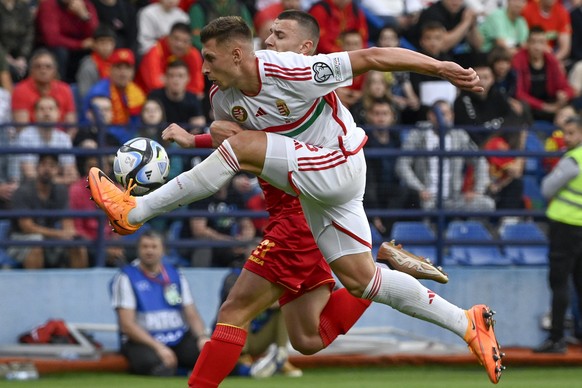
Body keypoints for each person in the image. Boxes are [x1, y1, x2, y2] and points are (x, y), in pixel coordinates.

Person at [88, 14, 504, 386]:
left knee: (235, 310)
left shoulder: (294, 70)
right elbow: (240, 144)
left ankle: (135, 211)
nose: (203, 68)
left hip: (339, 167)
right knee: (356, 287)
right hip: (311, 194)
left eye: (209, 58)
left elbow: (373, 56)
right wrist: (203, 137)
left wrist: (440, 67)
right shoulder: (224, 99)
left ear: (236, 55)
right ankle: (467, 322)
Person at [110, 230, 209, 375]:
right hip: (144, 342)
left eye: (154, 247)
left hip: (178, 337)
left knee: (211, 358)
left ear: (163, 250)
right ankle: (183, 372)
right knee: (158, 367)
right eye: (145, 247)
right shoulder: (126, 277)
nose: (149, 251)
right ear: (138, 250)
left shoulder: (176, 274)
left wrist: (202, 337)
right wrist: (158, 347)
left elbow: (191, 312)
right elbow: (127, 325)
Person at [396, 99, 496, 212]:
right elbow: (402, 165)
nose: (442, 118)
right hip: (426, 198)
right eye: (438, 114)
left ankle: (463, 228)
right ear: (430, 116)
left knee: (487, 204)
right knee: (424, 207)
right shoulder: (418, 134)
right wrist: (419, 189)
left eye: (445, 114)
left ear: (452, 115)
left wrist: (478, 190)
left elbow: (480, 161)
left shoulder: (459, 136)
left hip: (454, 199)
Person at [535, 115, 582, 353]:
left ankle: (556, 338)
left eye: (572, 133)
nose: (567, 137)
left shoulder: (573, 160)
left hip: (565, 226)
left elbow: (547, 188)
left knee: (559, 282)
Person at [9, 153, 88, 269]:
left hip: (50, 236)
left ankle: (78, 285)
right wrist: (59, 234)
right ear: (37, 167)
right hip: (21, 238)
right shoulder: (23, 191)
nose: (47, 169)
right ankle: (34, 286)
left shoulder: (61, 190)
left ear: (57, 170)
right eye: (44, 165)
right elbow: (27, 227)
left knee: (77, 244)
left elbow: (67, 222)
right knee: (36, 242)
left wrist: (69, 234)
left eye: (52, 166)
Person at [512, 26, 575, 123]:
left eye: (541, 42)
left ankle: (562, 136)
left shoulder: (551, 60)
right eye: (533, 42)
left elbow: (566, 87)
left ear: (545, 44)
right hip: (530, 106)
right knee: (521, 106)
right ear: (527, 43)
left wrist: (565, 95)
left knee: (571, 108)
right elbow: (519, 93)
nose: (537, 47)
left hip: (550, 103)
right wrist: (543, 106)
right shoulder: (518, 60)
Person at [83, 48, 146, 145]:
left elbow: (137, 125)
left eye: (127, 68)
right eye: (119, 67)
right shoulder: (98, 92)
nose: (123, 73)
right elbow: (91, 125)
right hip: (104, 141)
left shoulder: (138, 94)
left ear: (133, 71)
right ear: (110, 69)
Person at [13, 96, 78, 185]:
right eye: (41, 109)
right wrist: (62, 180)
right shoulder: (26, 135)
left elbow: (71, 173)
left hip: (57, 188)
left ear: (58, 113)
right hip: (29, 187)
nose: (46, 113)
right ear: (34, 114)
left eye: (51, 109)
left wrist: (63, 180)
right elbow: (30, 175)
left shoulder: (64, 138)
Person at [11, 49, 77, 133]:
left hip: (61, 141)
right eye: (38, 66)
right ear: (31, 70)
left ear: (55, 70)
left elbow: (72, 126)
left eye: (48, 67)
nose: (43, 70)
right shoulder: (21, 90)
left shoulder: (65, 89)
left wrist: (64, 142)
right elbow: (22, 128)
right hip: (30, 142)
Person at [35, 0, 99, 83]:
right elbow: (52, 39)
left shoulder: (86, 4)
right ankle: (60, 85)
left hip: (79, 48)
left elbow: (97, 35)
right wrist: (79, 44)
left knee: (98, 49)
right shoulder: (48, 5)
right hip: (53, 48)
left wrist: (84, 16)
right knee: (61, 52)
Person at [136, 22, 205, 98]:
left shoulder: (193, 54)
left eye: (185, 41)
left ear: (190, 43)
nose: (180, 45)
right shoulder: (155, 52)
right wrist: (181, 83)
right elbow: (155, 85)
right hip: (147, 98)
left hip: (179, 97)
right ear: (168, 38)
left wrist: (168, 82)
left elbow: (198, 88)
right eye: (176, 39)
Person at [75, 25, 117, 99]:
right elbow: (85, 95)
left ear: (114, 44)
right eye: (102, 42)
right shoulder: (88, 66)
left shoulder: (118, 64)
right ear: (94, 45)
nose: (106, 47)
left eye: (109, 42)